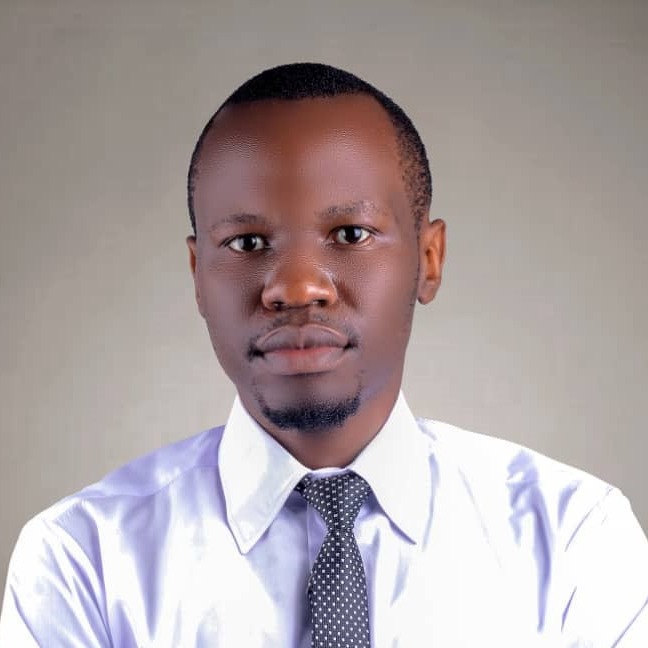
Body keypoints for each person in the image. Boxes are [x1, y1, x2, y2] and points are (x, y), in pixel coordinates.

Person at [1, 62, 646, 647]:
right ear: (197, 275)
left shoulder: (576, 544)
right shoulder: (83, 563)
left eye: (350, 233)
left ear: (428, 259)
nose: (296, 286)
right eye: (248, 243)